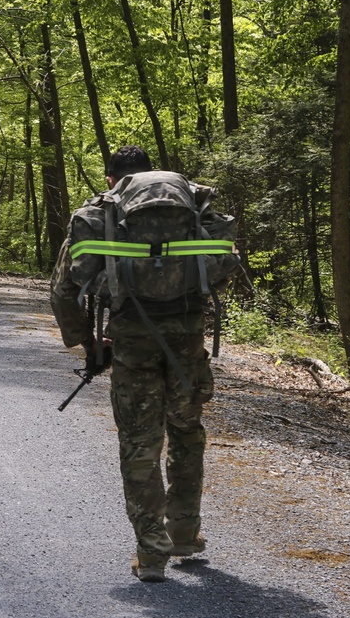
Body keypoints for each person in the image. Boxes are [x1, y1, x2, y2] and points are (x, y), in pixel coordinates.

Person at [50, 145, 239, 583]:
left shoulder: (102, 213)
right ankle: (186, 533)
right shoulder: (193, 207)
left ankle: (152, 553)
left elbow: (63, 289)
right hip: (188, 342)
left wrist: (88, 344)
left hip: (131, 343)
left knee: (140, 443)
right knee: (188, 434)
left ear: (112, 179)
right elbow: (224, 269)